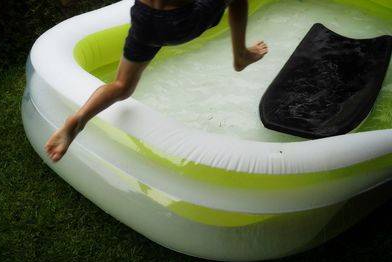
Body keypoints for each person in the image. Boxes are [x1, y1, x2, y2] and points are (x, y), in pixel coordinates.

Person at [45, 0, 268, 162]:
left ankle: (79, 120)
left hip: (143, 17)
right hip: (178, 22)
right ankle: (240, 55)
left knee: (122, 86)